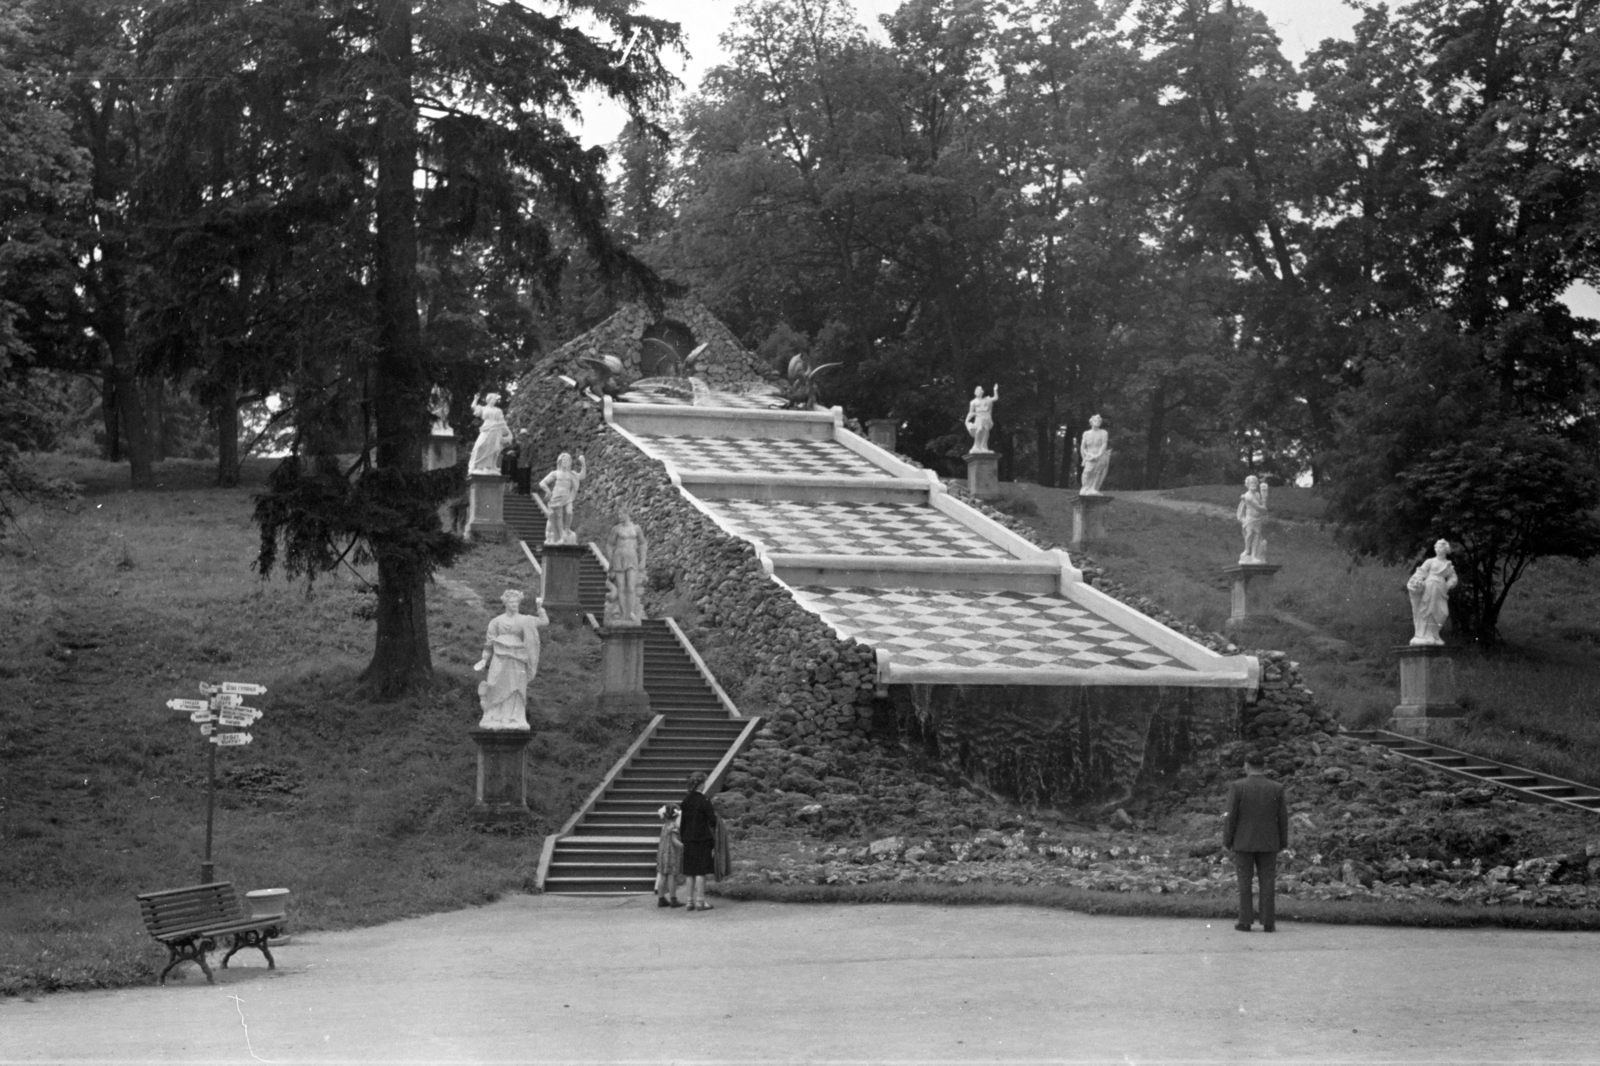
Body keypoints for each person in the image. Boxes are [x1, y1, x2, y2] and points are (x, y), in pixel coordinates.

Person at [1223, 751, 1290, 932]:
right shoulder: (1276, 788)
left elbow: (1231, 817)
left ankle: (1245, 921)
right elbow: (1283, 818)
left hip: (1243, 841)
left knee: (1244, 881)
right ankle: (1268, 922)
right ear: (1264, 766)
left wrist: (1227, 840)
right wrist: (1283, 841)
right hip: (1269, 841)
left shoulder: (1238, 787)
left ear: (1246, 766)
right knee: (1267, 881)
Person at [471, 590, 549, 730]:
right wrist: (484, 660)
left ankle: (514, 717)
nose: (514, 605)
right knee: (494, 684)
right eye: (511, 602)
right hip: (499, 656)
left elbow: (544, 621)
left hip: (517, 657)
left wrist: (539, 608)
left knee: (515, 687)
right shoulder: (497, 621)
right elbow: (488, 645)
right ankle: (493, 715)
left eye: (516, 602)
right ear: (506, 604)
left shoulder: (525, 619)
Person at [1407, 538, 1459, 645]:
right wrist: (1417, 581)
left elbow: (1453, 577)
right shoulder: (1430, 561)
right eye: (1437, 547)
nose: (1438, 549)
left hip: (1441, 588)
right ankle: (1427, 635)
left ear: (1446, 549)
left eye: (1440, 547)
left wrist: (1448, 585)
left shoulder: (1448, 564)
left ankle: (1435, 634)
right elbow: (1421, 572)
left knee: (1443, 613)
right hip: (1430, 586)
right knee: (1429, 610)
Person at [679, 771, 718, 911]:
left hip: (688, 838)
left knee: (690, 872)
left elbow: (683, 822)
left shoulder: (686, 800)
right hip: (702, 838)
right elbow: (712, 820)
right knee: (701, 872)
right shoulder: (704, 800)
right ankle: (701, 901)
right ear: (701, 784)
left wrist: (683, 837)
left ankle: (689, 901)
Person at [603, 509, 648, 626]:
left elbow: (643, 543)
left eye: (620, 514)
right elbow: (609, 544)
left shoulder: (636, 528)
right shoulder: (616, 529)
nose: (619, 516)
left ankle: (631, 612)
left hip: (632, 557)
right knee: (621, 587)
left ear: (627, 514)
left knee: (631, 587)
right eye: (618, 514)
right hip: (619, 557)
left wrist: (643, 559)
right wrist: (611, 559)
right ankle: (623, 614)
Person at [538, 452, 587, 546]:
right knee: (558, 516)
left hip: (567, 497)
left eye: (567, 461)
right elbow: (542, 483)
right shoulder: (555, 473)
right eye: (563, 461)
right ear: (560, 462)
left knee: (569, 512)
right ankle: (560, 536)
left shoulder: (572, 474)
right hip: (556, 497)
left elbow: (582, 476)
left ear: (570, 463)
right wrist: (548, 491)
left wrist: (583, 464)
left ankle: (567, 529)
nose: (565, 462)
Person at [467, 393, 514, 474]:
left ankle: (490, 466)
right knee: (480, 445)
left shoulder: (498, 410)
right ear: (489, 399)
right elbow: (473, 407)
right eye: (494, 399)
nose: (495, 401)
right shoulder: (483, 408)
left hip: (497, 430)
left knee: (494, 448)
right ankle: (476, 465)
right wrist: (475, 399)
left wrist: (509, 433)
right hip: (487, 428)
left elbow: (503, 422)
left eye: (496, 399)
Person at [654, 803, 684, 908]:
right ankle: (673, 899)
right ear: (676, 815)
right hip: (672, 854)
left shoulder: (665, 826)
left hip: (662, 854)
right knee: (672, 876)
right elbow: (674, 841)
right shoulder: (674, 826)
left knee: (662, 876)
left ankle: (661, 898)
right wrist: (684, 846)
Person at [1236, 475, 1270, 564]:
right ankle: (1247, 550)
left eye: (1255, 482)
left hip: (1257, 519)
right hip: (1250, 519)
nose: (1253, 484)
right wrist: (1264, 504)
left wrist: (1264, 497)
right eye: (1251, 482)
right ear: (1247, 484)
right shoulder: (1248, 496)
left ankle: (1254, 556)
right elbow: (1261, 508)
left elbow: (1263, 509)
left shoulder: (1258, 494)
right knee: (1249, 534)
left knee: (1257, 536)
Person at [1079, 414, 1110, 494]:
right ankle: (1085, 488)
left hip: (1099, 457)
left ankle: (1094, 488)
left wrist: (1098, 455)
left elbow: (1104, 445)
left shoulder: (1103, 433)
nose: (1098, 422)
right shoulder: (1086, 433)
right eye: (1096, 420)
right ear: (1091, 422)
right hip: (1089, 457)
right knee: (1087, 472)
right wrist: (1084, 458)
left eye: (1099, 421)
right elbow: (1083, 447)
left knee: (1098, 472)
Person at [965, 385, 998, 453]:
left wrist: (995, 390)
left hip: (986, 417)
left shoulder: (986, 399)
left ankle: (983, 447)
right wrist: (967, 420)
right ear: (975, 393)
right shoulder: (973, 402)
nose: (979, 392)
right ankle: (976, 446)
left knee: (986, 432)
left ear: (982, 392)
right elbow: (971, 412)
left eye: (980, 391)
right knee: (979, 430)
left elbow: (995, 398)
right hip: (979, 417)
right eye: (977, 391)